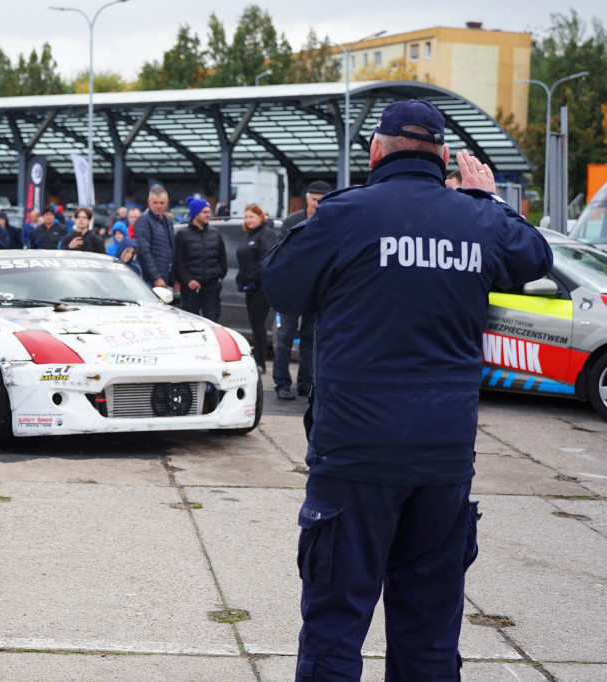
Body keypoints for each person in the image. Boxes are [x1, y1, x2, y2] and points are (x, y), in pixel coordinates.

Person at [261, 98, 552, 682]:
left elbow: (281, 287)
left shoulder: (346, 215)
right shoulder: (478, 218)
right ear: (444, 157)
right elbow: (535, 256)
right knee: (429, 634)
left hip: (355, 454)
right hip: (443, 460)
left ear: (375, 152)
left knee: (336, 626)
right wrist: (487, 199)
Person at [273, 180, 331, 400]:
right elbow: (279, 252)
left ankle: (305, 383)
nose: (318, 204)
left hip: (315, 290)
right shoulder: (292, 222)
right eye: (315, 199)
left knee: (310, 338)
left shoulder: (328, 221)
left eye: (322, 200)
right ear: (308, 198)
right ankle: (282, 383)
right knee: (285, 337)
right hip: (290, 288)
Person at [235, 203, 277, 373]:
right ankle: (257, 359)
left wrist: (253, 279)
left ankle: (261, 362)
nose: (248, 220)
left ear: (260, 217)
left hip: (260, 286)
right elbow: (245, 260)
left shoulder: (266, 233)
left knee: (258, 323)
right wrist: (240, 278)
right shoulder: (249, 234)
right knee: (253, 323)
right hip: (249, 287)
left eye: (252, 216)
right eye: (246, 217)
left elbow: (265, 259)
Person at [174, 196, 226, 320]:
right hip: (190, 289)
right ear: (196, 214)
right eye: (205, 212)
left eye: (209, 212)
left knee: (212, 322)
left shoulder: (215, 234)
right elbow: (178, 262)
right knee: (191, 323)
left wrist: (218, 278)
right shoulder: (182, 235)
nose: (208, 215)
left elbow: (222, 259)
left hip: (211, 287)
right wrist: (188, 280)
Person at [133, 185, 176, 289]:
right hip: (150, 280)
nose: (158, 206)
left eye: (161, 203)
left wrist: (174, 278)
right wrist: (155, 277)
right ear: (149, 202)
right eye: (155, 202)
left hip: (165, 277)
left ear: (167, 202)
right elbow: (144, 251)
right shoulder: (143, 221)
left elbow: (172, 251)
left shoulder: (168, 222)